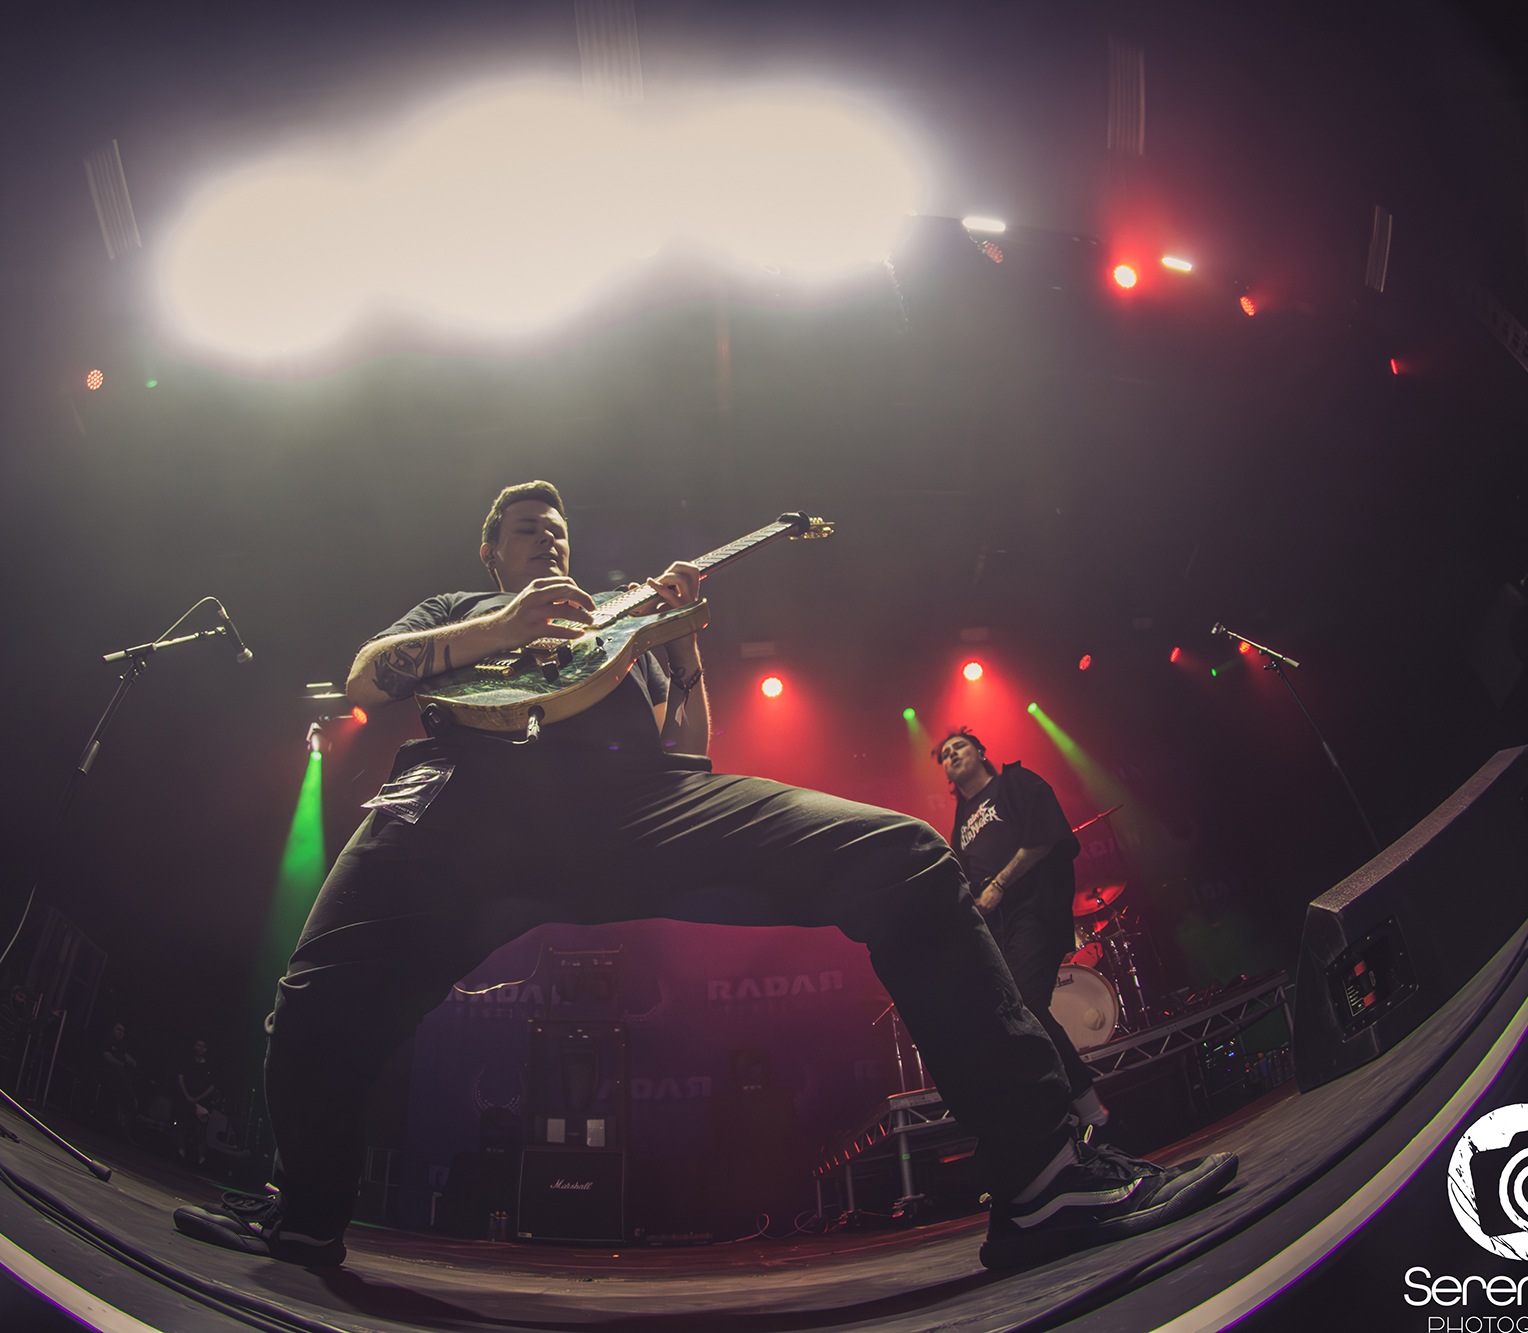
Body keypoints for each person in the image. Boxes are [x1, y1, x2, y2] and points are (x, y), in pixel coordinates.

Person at [173, 480, 1233, 1272]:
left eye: (558, 530)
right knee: (317, 995)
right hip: (461, 812)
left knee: (905, 856)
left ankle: (1044, 1182)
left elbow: (690, 754)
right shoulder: (454, 609)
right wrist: (500, 625)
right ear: (491, 549)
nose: (548, 540)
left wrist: (681, 644)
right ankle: (304, 1216)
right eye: (527, 529)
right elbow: (370, 677)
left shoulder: (617, 620)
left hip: (629, 810)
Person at [938, 728, 1109, 1128]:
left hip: (1034, 908)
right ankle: (1058, 1116)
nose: (952, 754)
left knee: (1026, 1004)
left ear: (981, 751)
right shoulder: (959, 825)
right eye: (945, 754)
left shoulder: (1014, 783)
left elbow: (1045, 836)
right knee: (1009, 1017)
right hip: (999, 927)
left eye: (959, 746)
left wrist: (999, 884)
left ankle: (1092, 1112)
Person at [177, 1039, 220, 1166]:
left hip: (202, 1103)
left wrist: (198, 1099)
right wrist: (187, 1095)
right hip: (187, 1099)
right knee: (183, 1126)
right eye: (197, 1045)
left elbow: (212, 1086)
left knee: (200, 1130)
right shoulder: (188, 1062)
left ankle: (201, 1159)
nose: (199, 1048)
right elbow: (180, 1078)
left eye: (202, 1046)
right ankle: (180, 1152)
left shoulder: (210, 1066)